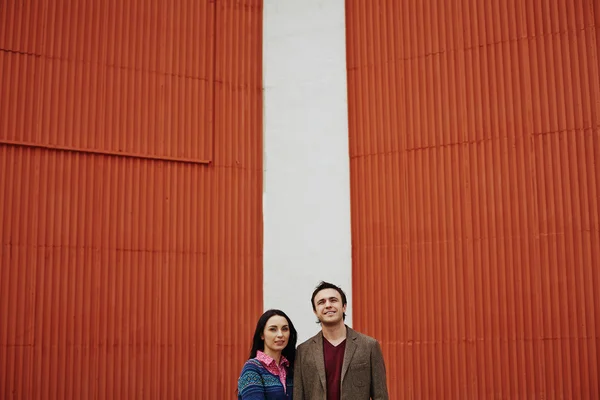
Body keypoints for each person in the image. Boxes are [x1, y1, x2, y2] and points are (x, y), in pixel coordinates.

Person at [293, 281, 389, 400]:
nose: (328, 305)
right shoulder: (303, 351)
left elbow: (380, 395)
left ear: (344, 307)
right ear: (315, 311)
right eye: (321, 302)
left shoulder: (369, 346)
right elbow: (298, 395)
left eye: (333, 300)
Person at [238, 309, 298, 399]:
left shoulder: (291, 368)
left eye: (285, 329)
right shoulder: (252, 369)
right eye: (273, 329)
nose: (280, 334)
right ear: (262, 334)